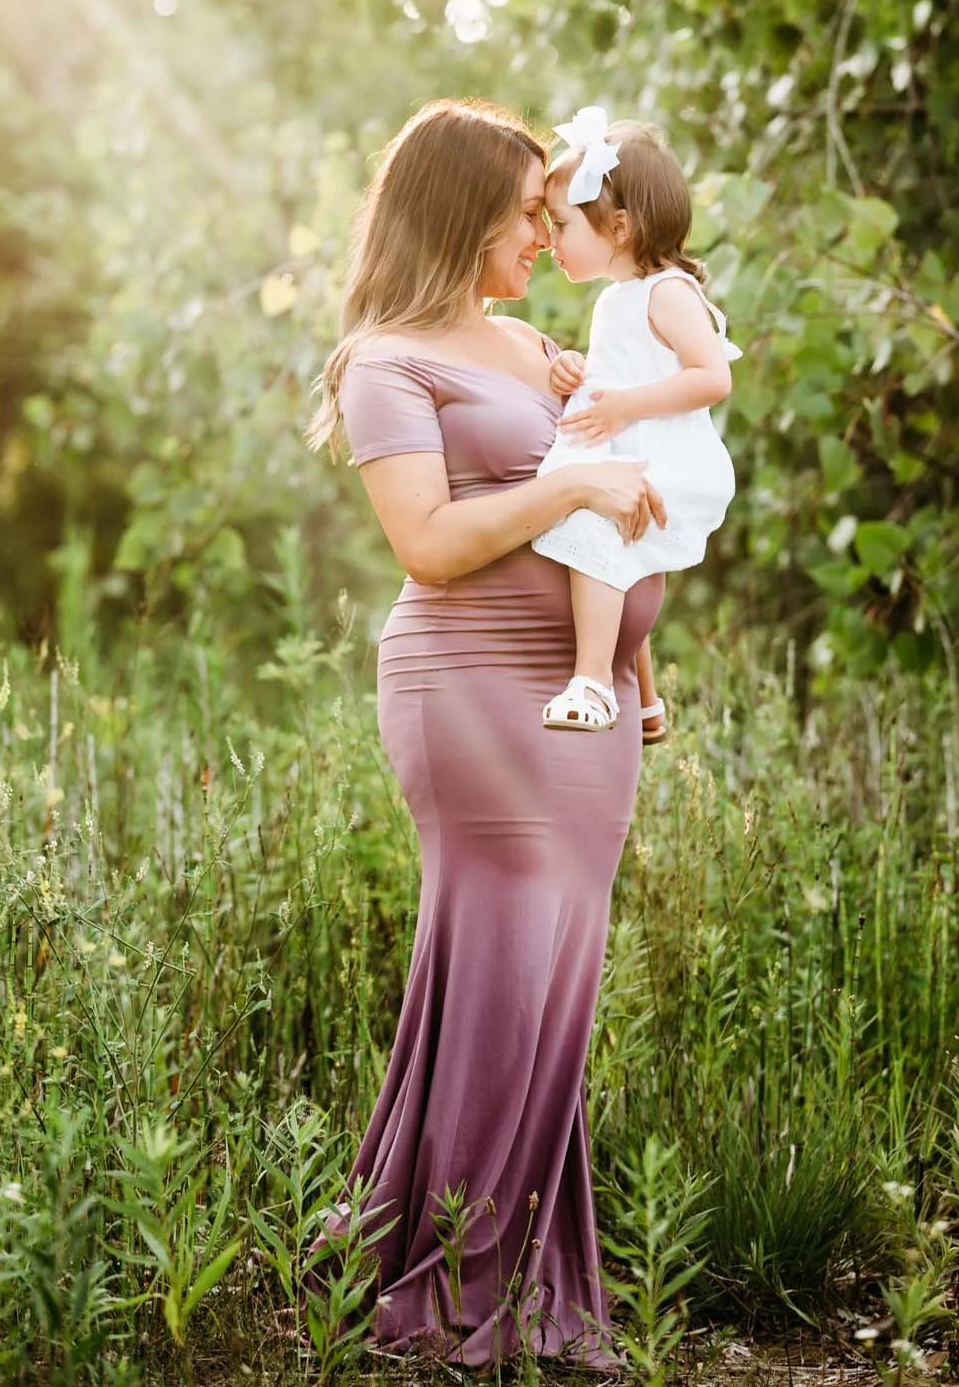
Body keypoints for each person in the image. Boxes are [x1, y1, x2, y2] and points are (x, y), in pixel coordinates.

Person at [307, 97, 666, 1373]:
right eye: (526, 208)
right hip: (465, 683)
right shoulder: (385, 363)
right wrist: (567, 477)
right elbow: (431, 543)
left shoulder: (529, 345)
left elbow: (606, 523)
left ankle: (516, 1266)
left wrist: (635, 658)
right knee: (508, 948)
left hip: (583, 697)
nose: (547, 228)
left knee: (558, 963)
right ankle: (453, 1267)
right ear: (459, 211)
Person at [533, 107, 740, 739]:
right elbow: (618, 368)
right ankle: (645, 701)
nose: (549, 241)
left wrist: (624, 406)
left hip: (667, 459)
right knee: (615, 560)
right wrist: (576, 370)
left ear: (618, 227)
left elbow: (712, 377)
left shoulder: (668, 292)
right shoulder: (618, 297)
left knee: (596, 533)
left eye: (562, 224)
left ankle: (593, 680)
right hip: (630, 445)